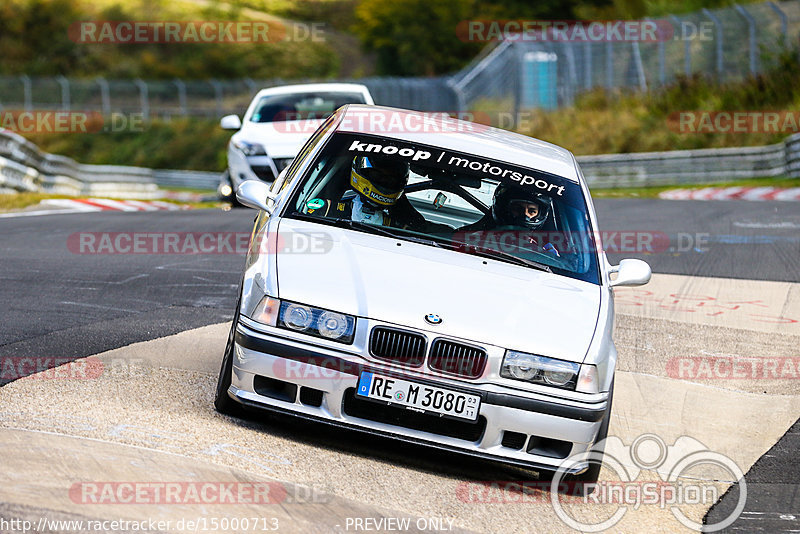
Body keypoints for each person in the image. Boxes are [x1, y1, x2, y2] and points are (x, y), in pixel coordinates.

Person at [308, 155, 447, 234]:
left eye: (391, 178)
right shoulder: (325, 209)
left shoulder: (403, 227)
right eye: (379, 175)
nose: (385, 181)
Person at [458, 183, 561, 257]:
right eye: (517, 209)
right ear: (504, 208)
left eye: (532, 211)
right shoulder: (476, 238)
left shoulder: (545, 250)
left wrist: (550, 257)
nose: (525, 215)